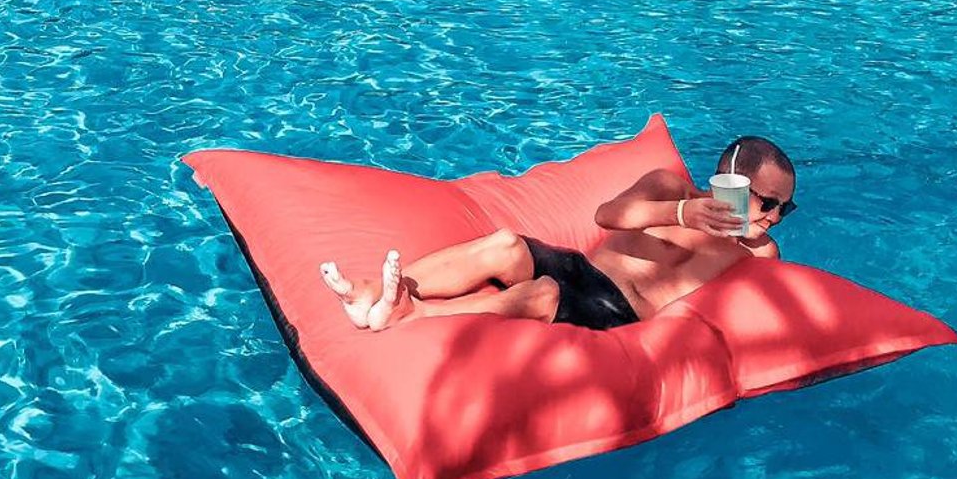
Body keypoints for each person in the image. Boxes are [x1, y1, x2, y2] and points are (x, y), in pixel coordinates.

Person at [322, 137, 796, 333]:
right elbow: (608, 215)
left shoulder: (759, 254)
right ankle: (375, 289)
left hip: (617, 311)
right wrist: (682, 213)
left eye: (785, 207)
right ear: (731, 184)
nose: (775, 217)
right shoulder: (670, 188)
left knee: (543, 293)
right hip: (582, 267)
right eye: (768, 203)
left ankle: (414, 312)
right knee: (506, 245)